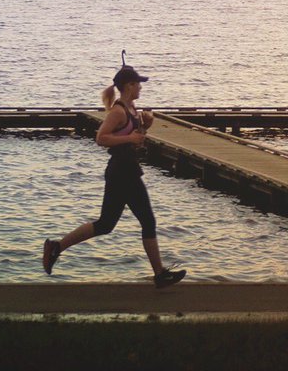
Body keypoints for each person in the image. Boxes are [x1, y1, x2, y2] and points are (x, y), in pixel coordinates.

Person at [41, 64, 186, 288]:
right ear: (128, 86)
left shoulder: (132, 109)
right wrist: (130, 138)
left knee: (106, 224)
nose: (140, 88)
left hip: (126, 169)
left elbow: (136, 140)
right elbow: (101, 138)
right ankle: (159, 275)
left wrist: (145, 126)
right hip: (122, 172)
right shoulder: (118, 112)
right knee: (145, 221)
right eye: (138, 84)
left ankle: (56, 247)